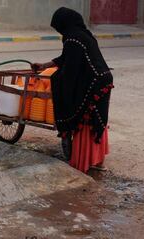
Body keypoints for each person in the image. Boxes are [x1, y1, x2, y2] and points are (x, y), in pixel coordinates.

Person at [32, 7, 113, 173]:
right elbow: (67, 58)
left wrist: (55, 80)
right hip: (103, 80)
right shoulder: (84, 35)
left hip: (93, 84)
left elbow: (70, 70)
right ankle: (97, 161)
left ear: (64, 24)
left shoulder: (72, 39)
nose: (60, 31)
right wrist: (46, 65)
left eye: (59, 27)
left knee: (84, 120)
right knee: (97, 120)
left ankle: (83, 162)